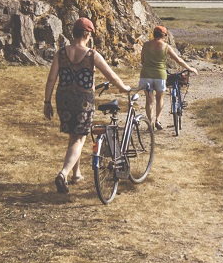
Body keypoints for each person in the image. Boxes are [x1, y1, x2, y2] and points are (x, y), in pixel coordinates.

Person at [44, 17, 131, 193]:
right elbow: (111, 76)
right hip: (83, 101)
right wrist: (124, 88)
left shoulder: (61, 53)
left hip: (64, 99)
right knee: (80, 138)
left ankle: (76, 174)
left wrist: (47, 102)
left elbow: (52, 78)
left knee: (73, 135)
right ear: (88, 34)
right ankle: (63, 173)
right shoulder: (92, 54)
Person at [139, 25, 198, 130]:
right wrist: (189, 68)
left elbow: (142, 61)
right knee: (159, 97)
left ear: (153, 34)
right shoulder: (166, 47)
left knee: (149, 100)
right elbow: (178, 60)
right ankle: (157, 120)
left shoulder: (146, 45)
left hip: (146, 74)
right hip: (160, 75)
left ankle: (150, 123)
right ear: (164, 35)